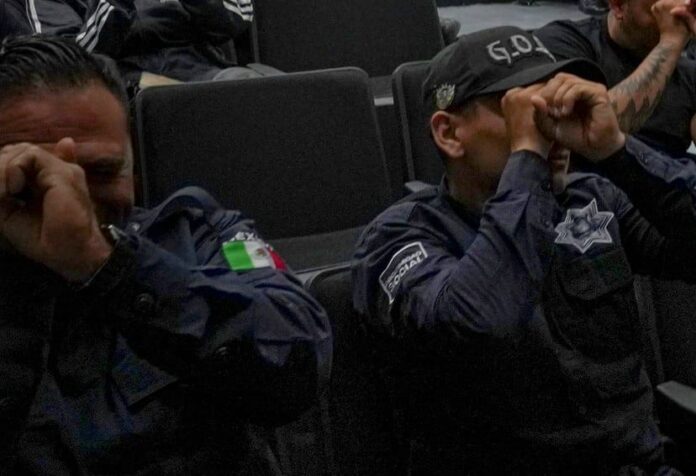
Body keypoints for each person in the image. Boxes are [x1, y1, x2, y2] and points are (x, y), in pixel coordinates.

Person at [352, 26, 696, 475]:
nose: (551, 128)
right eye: (521, 112)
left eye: (554, 104)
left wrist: (618, 150)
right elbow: (482, 320)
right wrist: (527, 156)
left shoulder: (590, 197)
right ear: (449, 133)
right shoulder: (399, 239)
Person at [0, 35, 331, 474]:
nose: (72, 195)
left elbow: (298, 362)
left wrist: (107, 266)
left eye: (101, 172)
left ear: (133, 165)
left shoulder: (198, 236)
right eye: (37, 177)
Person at [535, 0, 696, 157]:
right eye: (660, 11)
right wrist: (669, 43)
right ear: (618, 6)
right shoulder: (565, 41)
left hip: (668, 171)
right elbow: (590, 133)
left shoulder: (688, 72)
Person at [0, 0, 258, 89]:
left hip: (207, 74)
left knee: (264, 93)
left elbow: (235, 19)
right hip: (122, 89)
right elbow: (70, 65)